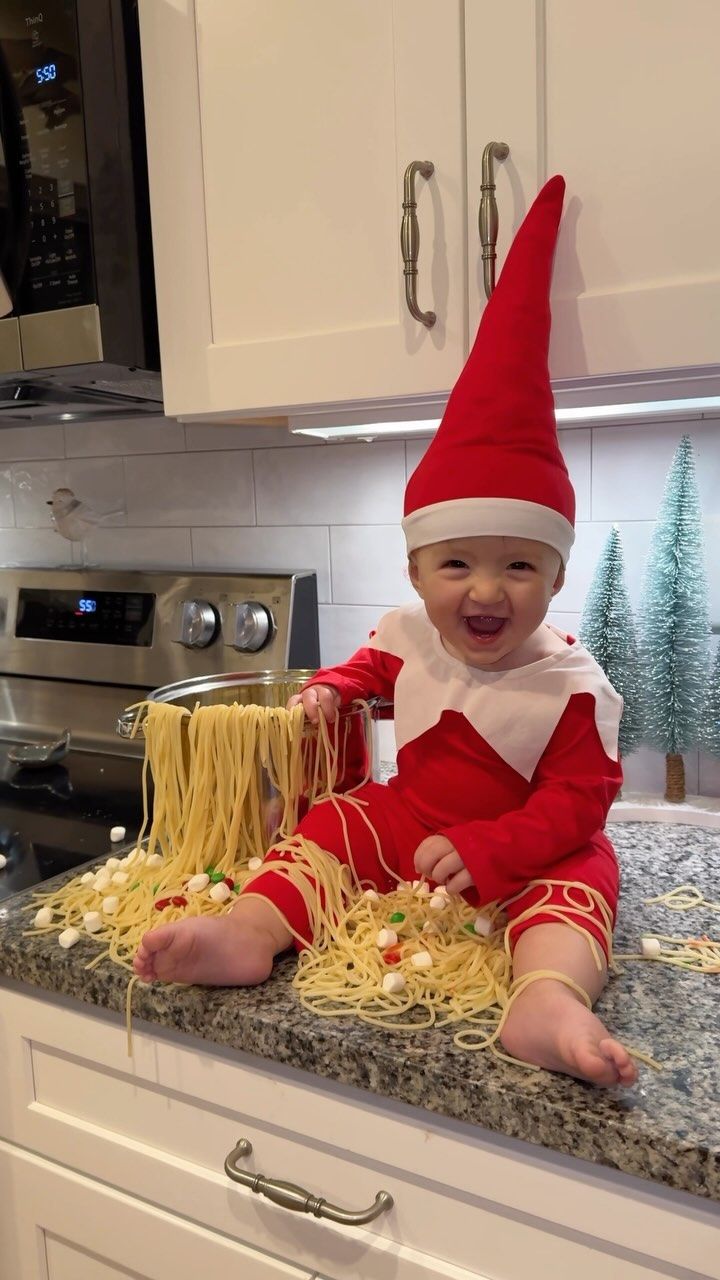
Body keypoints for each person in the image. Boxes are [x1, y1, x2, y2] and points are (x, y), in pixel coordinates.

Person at [134, 176, 636, 1088]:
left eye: (518, 566)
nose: (486, 590)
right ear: (415, 573)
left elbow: (578, 805)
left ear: (557, 576)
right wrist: (332, 687)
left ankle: (546, 1000)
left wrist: (500, 850)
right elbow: (368, 671)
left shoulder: (573, 688)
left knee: (577, 892)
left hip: (527, 847)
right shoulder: (410, 632)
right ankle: (247, 933)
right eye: (456, 566)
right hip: (412, 817)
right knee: (328, 829)